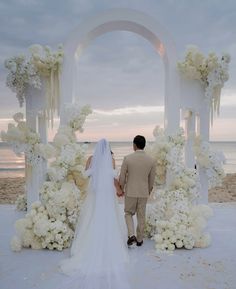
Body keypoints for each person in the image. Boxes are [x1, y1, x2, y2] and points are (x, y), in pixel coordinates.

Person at [59, 139, 131, 289]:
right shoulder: (111, 159)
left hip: (94, 193)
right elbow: (113, 177)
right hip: (107, 194)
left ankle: (86, 247)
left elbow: (86, 175)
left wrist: (95, 173)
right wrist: (119, 189)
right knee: (108, 218)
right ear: (108, 148)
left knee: (91, 217)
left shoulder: (91, 159)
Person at [119, 135, 156, 247]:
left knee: (128, 213)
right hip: (143, 192)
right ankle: (139, 239)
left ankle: (131, 235)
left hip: (130, 191)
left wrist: (121, 187)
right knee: (141, 215)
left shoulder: (127, 158)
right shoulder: (151, 160)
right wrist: (148, 190)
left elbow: (122, 176)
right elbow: (152, 179)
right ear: (144, 145)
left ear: (134, 145)